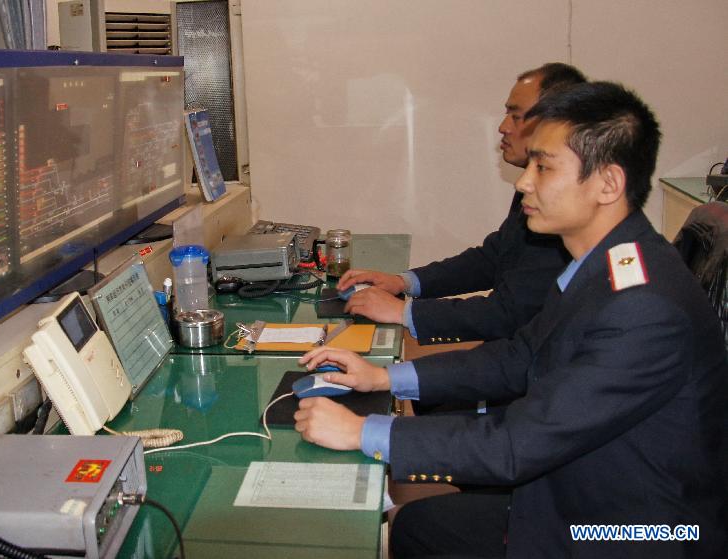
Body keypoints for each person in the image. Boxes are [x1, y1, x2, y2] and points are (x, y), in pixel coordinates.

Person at [295, 81, 728, 557]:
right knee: (424, 525)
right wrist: (383, 377)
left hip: (641, 531)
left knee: (421, 528)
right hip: (592, 491)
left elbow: (517, 445)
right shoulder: (608, 263)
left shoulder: (643, 309)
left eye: (544, 167)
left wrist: (361, 432)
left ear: (608, 183)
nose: (524, 181)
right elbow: (520, 356)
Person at [338, 63, 586, 344]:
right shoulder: (534, 186)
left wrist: (404, 312)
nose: (503, 127)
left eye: (516, 116)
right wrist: (404, 282)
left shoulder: (563, 207)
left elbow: (509, 314)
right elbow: (494, 257)